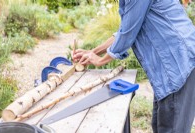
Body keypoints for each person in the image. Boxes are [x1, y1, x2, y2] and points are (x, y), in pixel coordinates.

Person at [72, 0, 195, 132]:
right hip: (168, 68)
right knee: (160, 124)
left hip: (179, 63)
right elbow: (124, 30)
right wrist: (93, 52)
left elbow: (128, 33)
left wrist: (101, 60)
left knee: (171, 127)